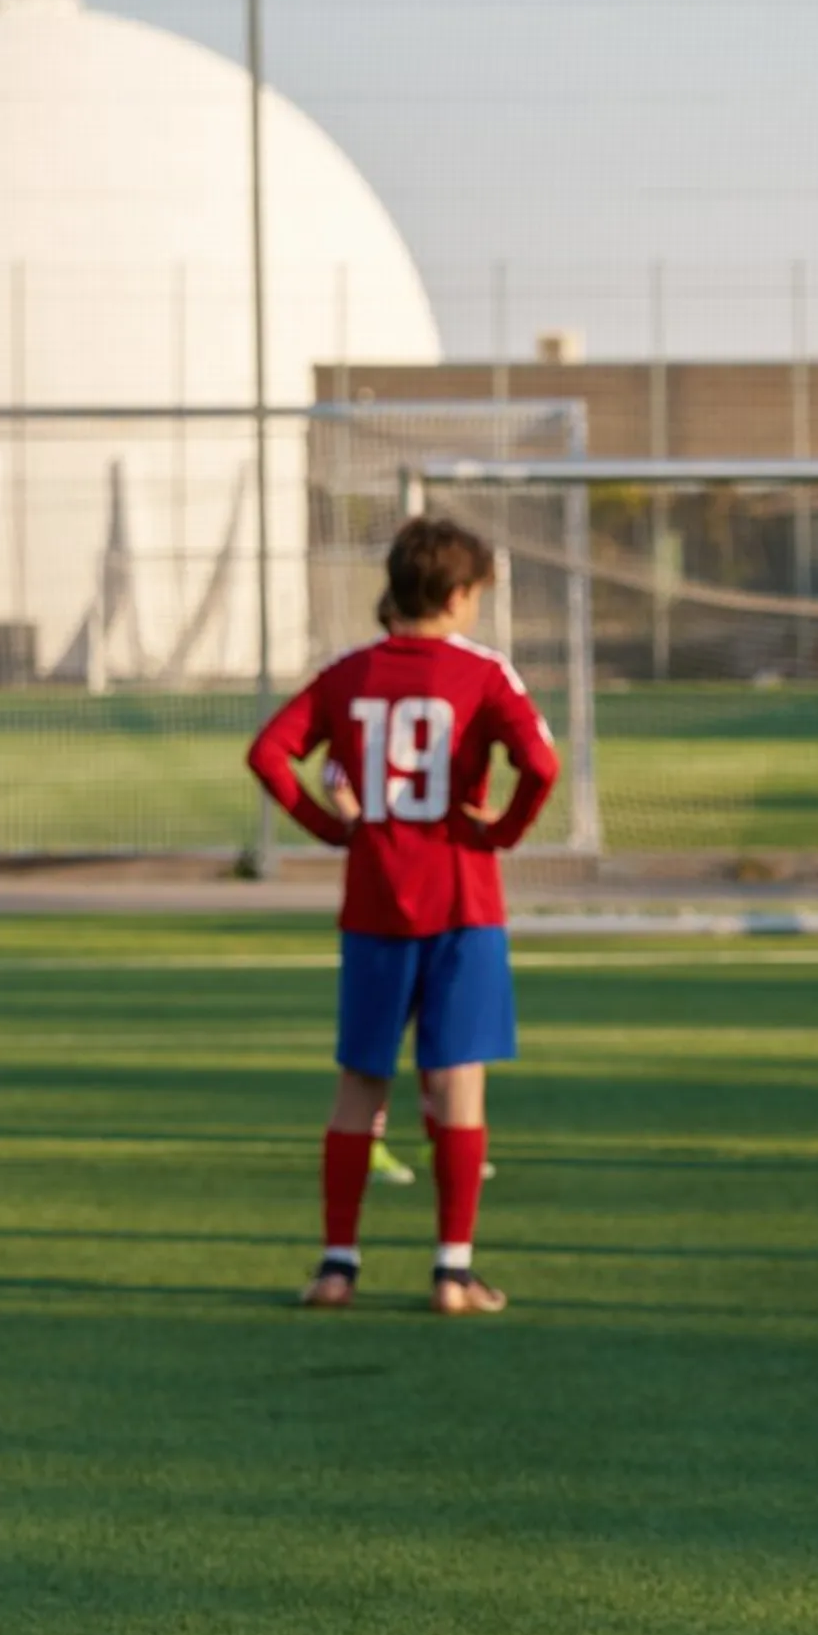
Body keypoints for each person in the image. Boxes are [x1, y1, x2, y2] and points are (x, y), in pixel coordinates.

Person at [245, 515, 561, 1312]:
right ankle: (452, 1271)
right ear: (458, 596)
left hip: (377, 900)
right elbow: (542, 764)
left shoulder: (348, 673)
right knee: (457, 1080)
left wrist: (335, 829)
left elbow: (268, 753)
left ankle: (337, 1267)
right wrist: (505, 831)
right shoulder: (486, 674)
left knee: (360, 1081)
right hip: (463, 901)